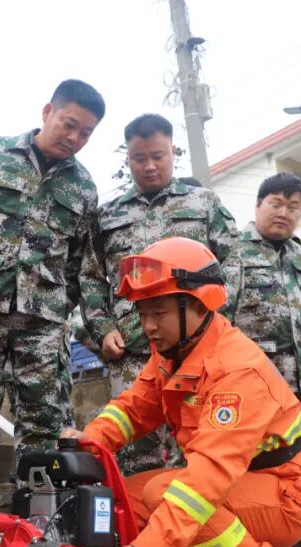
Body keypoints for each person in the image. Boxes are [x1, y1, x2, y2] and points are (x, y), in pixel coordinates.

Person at [64, 237, 301, 547]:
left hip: (283, 495)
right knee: (121, 503)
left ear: (199, 305)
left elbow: (207, 478)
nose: (149, 326)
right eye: (143, 313)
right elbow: (134, 409)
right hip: (233, 484)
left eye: (159, 313)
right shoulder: (175, 352)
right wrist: (88, 442)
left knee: (166, 495)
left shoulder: (237, 370)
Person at [0, 79, 103, 517]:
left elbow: (83, 262)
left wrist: (60, 309)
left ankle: (35, 507)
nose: (74, 138)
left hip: (44, 319)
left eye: (86, 133)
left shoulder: (84, 187)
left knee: (43, 416)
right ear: (47, 111)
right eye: (69, 124)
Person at [80, 113, 239, 476]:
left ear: (173, 152)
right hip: (133, 350)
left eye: (158, 156)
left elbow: (232, 265)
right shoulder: (107, 216)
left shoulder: (204, 204)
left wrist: (215, 322)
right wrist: (103, 329)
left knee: (200, 445)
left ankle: (190, 513)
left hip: (197, 350)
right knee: (135, 453)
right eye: (139, 158)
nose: (149, 166)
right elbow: (90, 277)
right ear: (128, 158)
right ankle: (143, 511)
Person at [219, 172, 301, 547]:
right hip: (250, 389)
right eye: (275, 204)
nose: (284, 213)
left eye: (293, 207)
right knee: (245, 472)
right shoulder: (233, 253)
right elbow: (218, 321)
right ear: (258, 206)